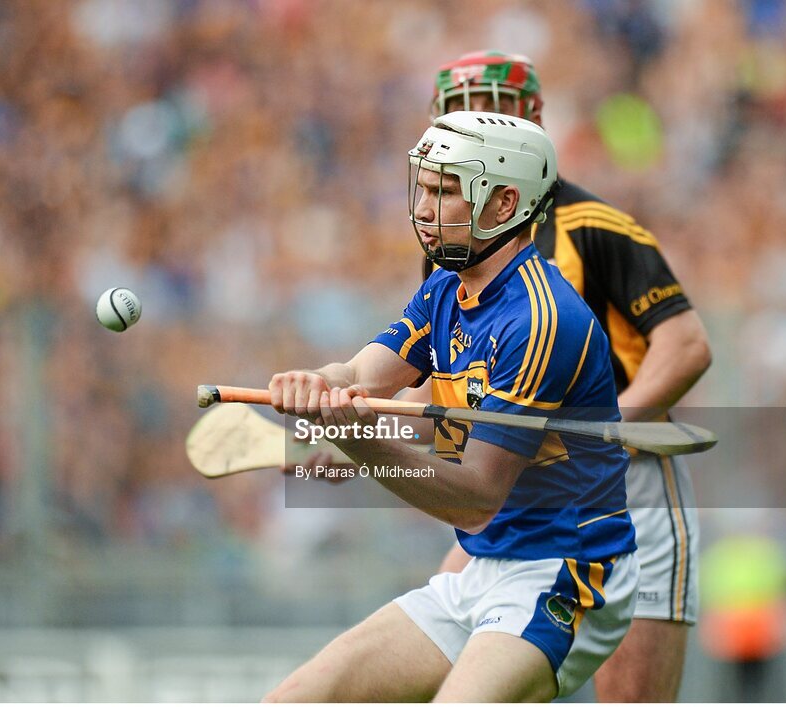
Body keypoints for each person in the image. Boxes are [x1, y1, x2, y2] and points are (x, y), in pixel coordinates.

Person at [264, 112, 639, 702]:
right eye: (426, 187)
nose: (424, 208)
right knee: (298, 698)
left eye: (447, 191)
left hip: (564, 570)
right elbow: (364, 375)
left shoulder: (541, 320)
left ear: (505, 203)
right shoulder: (446, 286)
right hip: (479, 572)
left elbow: (476, 497)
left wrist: (354, 439)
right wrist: (318, 385)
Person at [418, 50, 712, 702]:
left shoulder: (594, 226)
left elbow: (686, 343)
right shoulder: (445, 249)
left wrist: (611, 422)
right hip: (517, 490)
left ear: (533, 119)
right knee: (441, 669)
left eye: (489, 108)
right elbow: (441, 375)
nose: (474, 126)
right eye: (460, 112)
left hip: (623, 480)